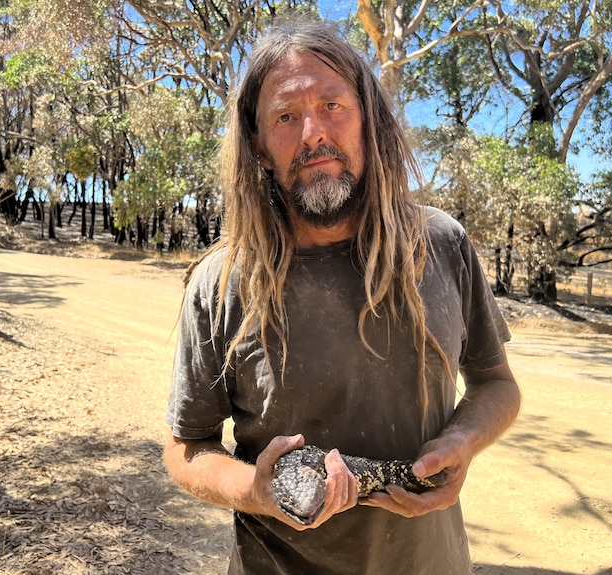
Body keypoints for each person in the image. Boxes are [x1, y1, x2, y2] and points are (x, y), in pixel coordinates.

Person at [164, 18, 521, 575]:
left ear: (369, 120)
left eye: (332, 104)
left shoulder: (440, 245)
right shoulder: (222, 281)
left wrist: (464, 439)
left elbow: (496, 384)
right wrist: (255, 491)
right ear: (258, 147)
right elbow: (186, 449)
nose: (312, 133)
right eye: (285, 117)